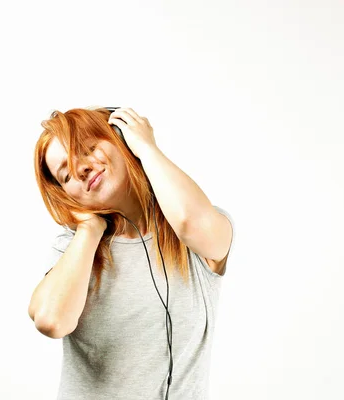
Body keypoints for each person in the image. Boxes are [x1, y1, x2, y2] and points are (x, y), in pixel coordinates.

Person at [28, 106, 235, 400]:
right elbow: (51, 320)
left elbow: (190, 222)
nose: (81, 168)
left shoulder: (199, 230)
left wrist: (146, 149)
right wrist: (89, 229)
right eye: (66, 174)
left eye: (88, 148)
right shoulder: (73, 249)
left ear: (121, 140)